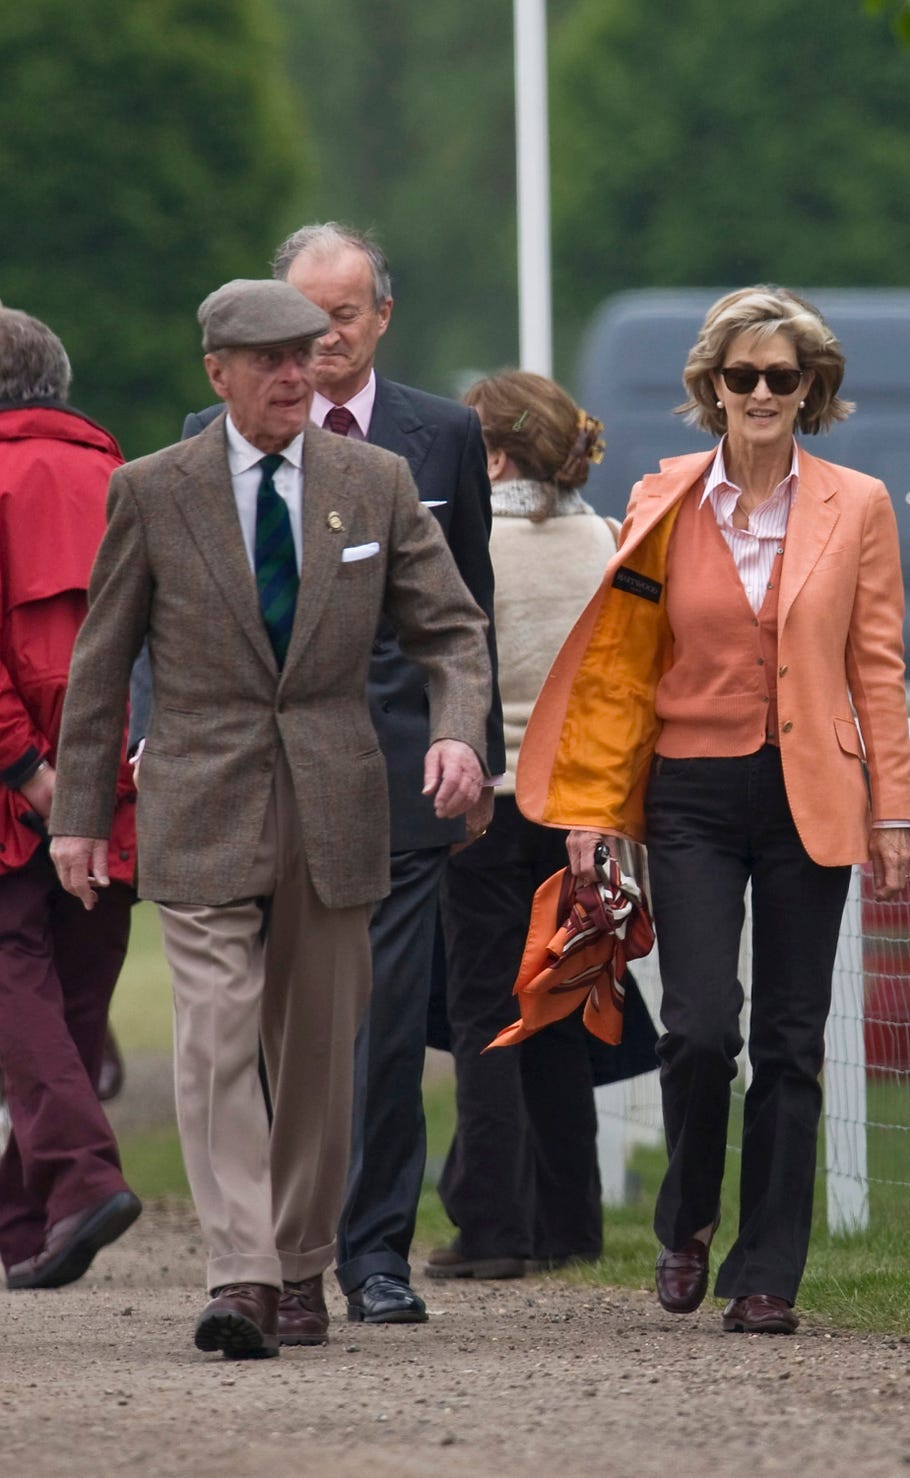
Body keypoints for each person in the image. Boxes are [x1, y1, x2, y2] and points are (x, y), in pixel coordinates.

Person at [48, 278, 492, 1360]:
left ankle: (302, 1263)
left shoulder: (373, 481)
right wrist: (77, 813)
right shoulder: (154, 490)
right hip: (201, 790)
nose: (299, 374)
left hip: (340, 794)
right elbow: (102, 661)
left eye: (308, 354)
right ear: (218, 373)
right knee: (210, 1035)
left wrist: (458, 733)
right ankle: (240, 1270)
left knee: (315, 1050)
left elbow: (451, 630)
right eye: (272, 360)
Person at [516, 286, 910, 1334]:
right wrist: (597, 804)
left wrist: (894, 814)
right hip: (690, 789)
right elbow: (620, 666)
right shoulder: (662, 498)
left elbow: (876, 668)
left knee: (790, 1039)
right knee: (698, 1028)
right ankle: (687, 1214)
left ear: (809, 389)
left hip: (810, 794)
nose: (759, 392)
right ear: (710, 387)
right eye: (740, 375)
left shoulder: (857, 504)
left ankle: (766, 1269)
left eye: (780, 377)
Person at [174, 222, 504, 1326]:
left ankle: (369, 1253)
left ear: (381, 316)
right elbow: (148, 623)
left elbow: (461, 614)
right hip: (239, 785)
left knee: (379, 1024)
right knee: (249, 1022)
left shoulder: (438, 438)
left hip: (395, 778)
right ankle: (267, 1249)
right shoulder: (194, 448)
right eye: (295, 320)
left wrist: (469, 745)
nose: (315, 342)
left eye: (340, 317)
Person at [426, 371, 613, 1280]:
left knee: (484, 1015)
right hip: (578, 806)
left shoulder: (466, 540)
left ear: (491, 453)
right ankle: (572, 1222)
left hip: (485, 805)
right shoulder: (607, 539)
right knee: (562, 1008)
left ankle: (493, 1225)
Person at [0, 307, 141, 1291]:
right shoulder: (129, 481)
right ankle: (26, 1220)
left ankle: (81, 1180)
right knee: (77, 998)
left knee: (15, 981)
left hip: (14, 781)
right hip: (123, 774)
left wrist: (22, 766)